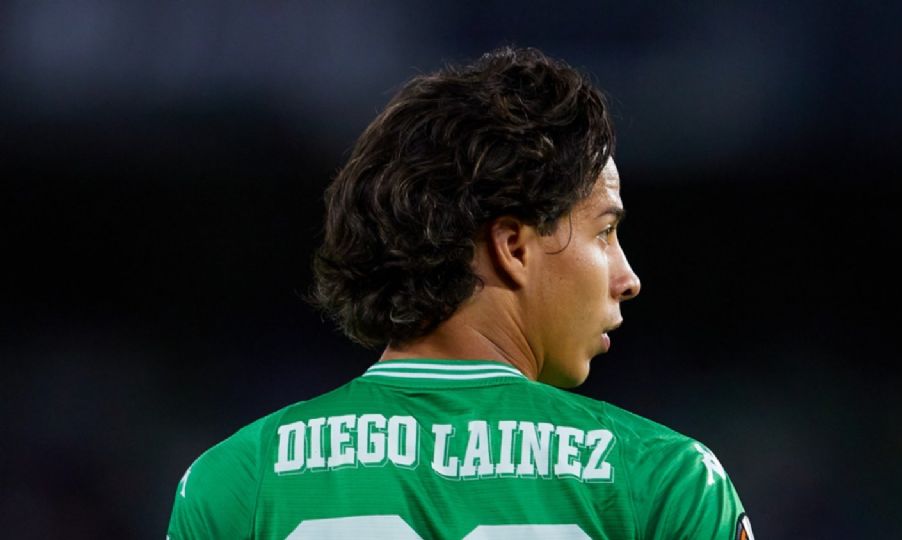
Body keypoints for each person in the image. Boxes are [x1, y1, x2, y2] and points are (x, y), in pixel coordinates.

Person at [167, 46, 753, 540]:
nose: (628, 278)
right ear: (513, 246)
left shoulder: (233, 483)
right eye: (604, 232)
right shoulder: (663, 480)